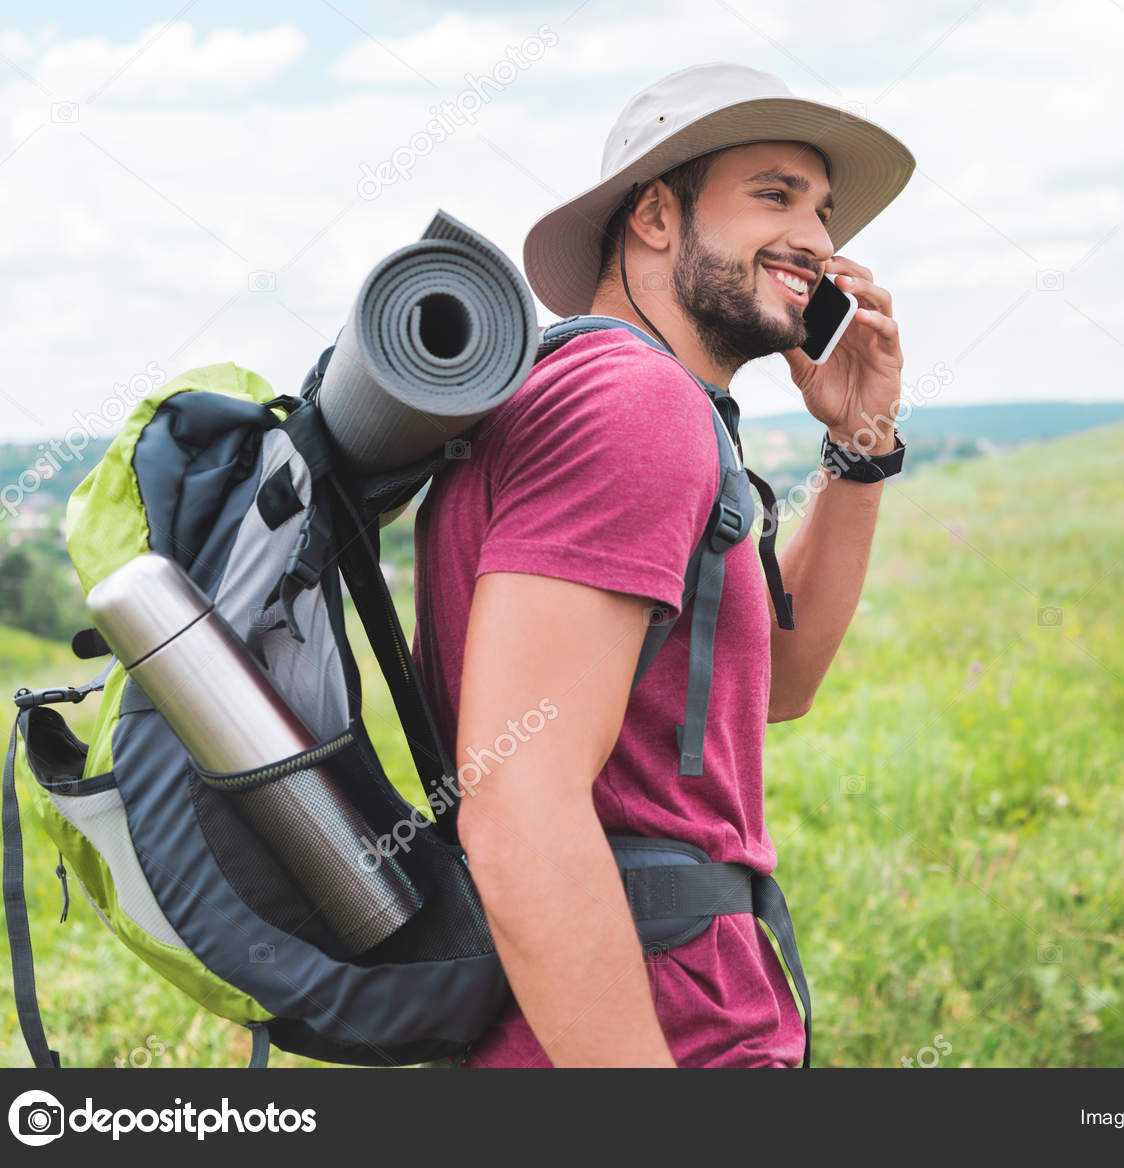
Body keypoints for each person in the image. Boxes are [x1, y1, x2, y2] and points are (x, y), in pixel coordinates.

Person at [411, 61, 914, 1067]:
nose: (818, 240)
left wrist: (860, 442)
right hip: (658, 1030)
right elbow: (519, 803)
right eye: (774, 194)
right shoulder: (630, 403)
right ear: (652, 216)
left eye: (822, 210)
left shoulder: (599, 395)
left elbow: (777, 684)